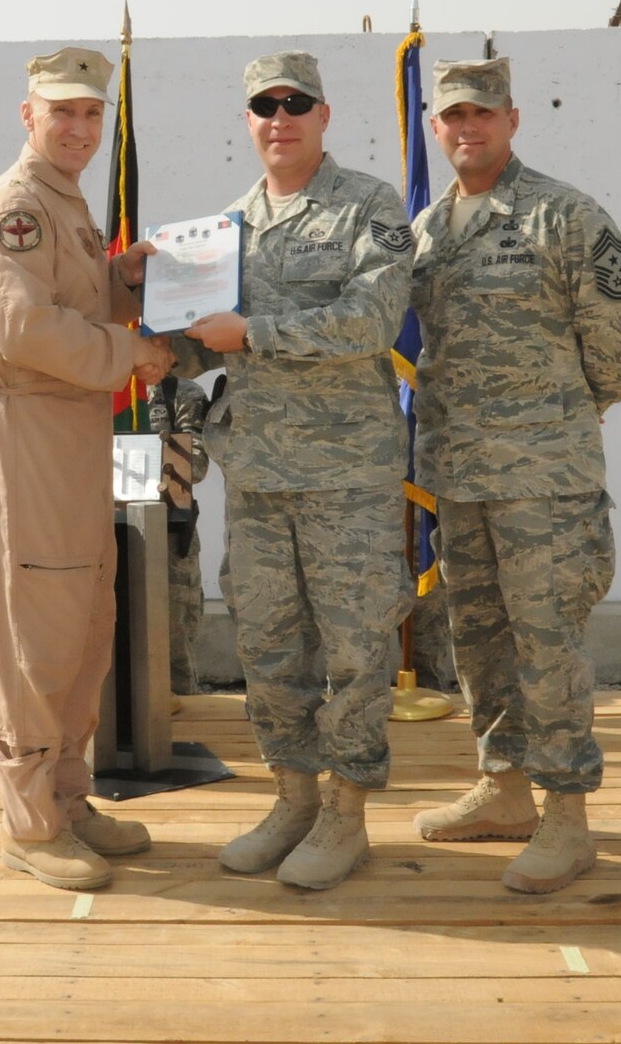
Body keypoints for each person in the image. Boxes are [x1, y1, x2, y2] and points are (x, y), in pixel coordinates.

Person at [171, 50, 414, 891]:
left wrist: (257, 332)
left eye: (296, 103)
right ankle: (293, 798)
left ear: (324, 115)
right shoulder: (220, 229)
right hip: (258, 476)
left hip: (347, 473)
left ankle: (346, 815)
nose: (280, 118)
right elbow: (192, 341)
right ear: (248, 121)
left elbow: (374, 319)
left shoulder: (369, 207)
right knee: (269, 643)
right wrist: (136, 317)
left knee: (354, 644)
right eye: (264, 106)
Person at [406, 58, 621, 894]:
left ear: (513, 119)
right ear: (435, 128)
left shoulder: (565, 215)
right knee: (480, 641)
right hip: (462, 477)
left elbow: (617, 340)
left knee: (549, 646)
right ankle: (504, 789)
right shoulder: (430, 230)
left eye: (482, 112)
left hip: (545, 480)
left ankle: (568, 815)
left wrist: (563, 421)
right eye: (452, 116)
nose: (466, 127)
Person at [0, 46, 174, 891]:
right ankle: (32, 826)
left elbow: (69, 304)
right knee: (35, 626)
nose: (80, 128)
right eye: (63, 112)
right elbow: (26, 329)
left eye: (92, 114)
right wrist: (135, 348)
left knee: (83, 613)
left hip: (72, 429)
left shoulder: (64, 204)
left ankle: (67, 797)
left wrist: (123, 279)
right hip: (27, 431)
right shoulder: (20, 206)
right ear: (29, 115)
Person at [147, 375, 210, 695]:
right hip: (95, 536)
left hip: (168, 539)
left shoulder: (180, 393)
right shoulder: (84, 384)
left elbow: (195, 466)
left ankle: (185, 732)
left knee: (176, 655)